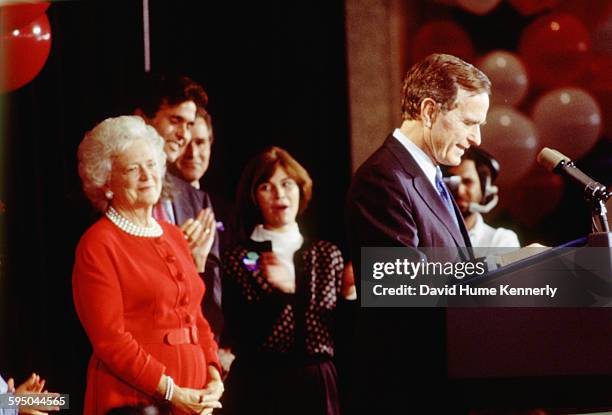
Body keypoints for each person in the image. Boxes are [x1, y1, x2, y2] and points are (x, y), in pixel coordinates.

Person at [344, 53, 491, 414]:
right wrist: (510, 271)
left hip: (445, 385)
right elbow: (404, 286)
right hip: (407, 392)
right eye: (470, 122)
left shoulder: (431, 176)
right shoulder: (382, 179)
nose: (477, 138)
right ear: (429, 111)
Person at [73, 116, 223, 415]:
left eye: (152, 165)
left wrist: (214, 374)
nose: (147, 176)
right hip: (132, 399)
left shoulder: (173, 235)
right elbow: (110, 340)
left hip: (195, 398)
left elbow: (197, 317)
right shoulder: (98, 243)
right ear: (106, 183)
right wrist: (172, 391)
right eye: (133, 169)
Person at [220, 147, 345, 415]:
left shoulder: (325, 253)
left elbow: (334, 331)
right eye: (267, 186)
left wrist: (348, 295)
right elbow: (247, 331)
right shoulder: (244, 256)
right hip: (262, 384)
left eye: (287, 184)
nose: (280, 194)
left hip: (317, 383)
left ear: (301, 189)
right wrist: (281, 295)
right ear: (254, 197)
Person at [134, 74, 224, 342]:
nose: (184, 135)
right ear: (142, 119)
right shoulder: (111, 190)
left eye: (190, 124)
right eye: (175, 121)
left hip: (191, 351)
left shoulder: (197, 201)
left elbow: (213, 293)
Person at [445, 147, 520, 247]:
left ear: (483, 188)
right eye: (454, 182)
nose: (460, 191)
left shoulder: (501, 240)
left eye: (467, 182)